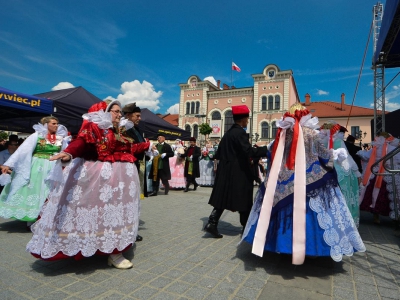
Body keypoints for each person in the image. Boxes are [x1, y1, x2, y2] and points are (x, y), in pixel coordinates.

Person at [26, 100, 152, 269]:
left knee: (115, 214)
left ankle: (114, 251)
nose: (119, 114)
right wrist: (68, 153)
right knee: (94, 211)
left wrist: (146, 146)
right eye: (115, 111)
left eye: (119, 112)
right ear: (103, 113)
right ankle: (86, 245)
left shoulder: (120, 132)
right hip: (98, 178)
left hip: (120, 182)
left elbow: (127, 150)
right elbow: (81, 143)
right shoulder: (95, 129)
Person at [241, 103, 366, 264]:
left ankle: (280, 246)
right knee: (308, 213)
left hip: (282, 182)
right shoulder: (311, 133)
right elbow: (323, 155)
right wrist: (336, 155)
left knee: (282, 211)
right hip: (309, 182)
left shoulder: (281, 134)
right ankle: (311, 249)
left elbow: (271, 153)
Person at [204, 105, 268, 238]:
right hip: (239, 171)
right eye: (247, 119)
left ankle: (212, 222)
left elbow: (218, 153)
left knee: (223, 196)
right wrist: (266, 150)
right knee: (244, 198)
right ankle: (246, 227)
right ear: (243, 119)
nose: (248, 121)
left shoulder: (228, 133)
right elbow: (248, 152)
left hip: (225, 170)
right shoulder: (240, 133)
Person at [0, 117, 69, 228]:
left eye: (57, 123)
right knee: (34, 189)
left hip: (53, 166)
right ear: (46, 124)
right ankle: (31, 219)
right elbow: (22, 150)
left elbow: (67, 152)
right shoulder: (37, 135)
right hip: (37, 166)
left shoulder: (61, 138)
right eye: (54, 123)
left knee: (49, 191)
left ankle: (47, 217)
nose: (57, 125)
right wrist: (8, 164)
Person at [319, 122, 362, 227]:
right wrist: (357, 172)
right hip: (342, 173)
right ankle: (345, 223)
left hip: (323, 172)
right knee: (345, 198)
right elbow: (347, 157)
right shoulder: (338, 141)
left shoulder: (318, 140)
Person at [358, 132, 400, 224]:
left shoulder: (375, 149)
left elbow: (365, 156)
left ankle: (376, 216)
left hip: (375, 173)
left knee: (373, 193)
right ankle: (395, 216)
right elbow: (398, 159)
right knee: (392, 194)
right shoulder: (392, 149)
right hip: (388, 174)